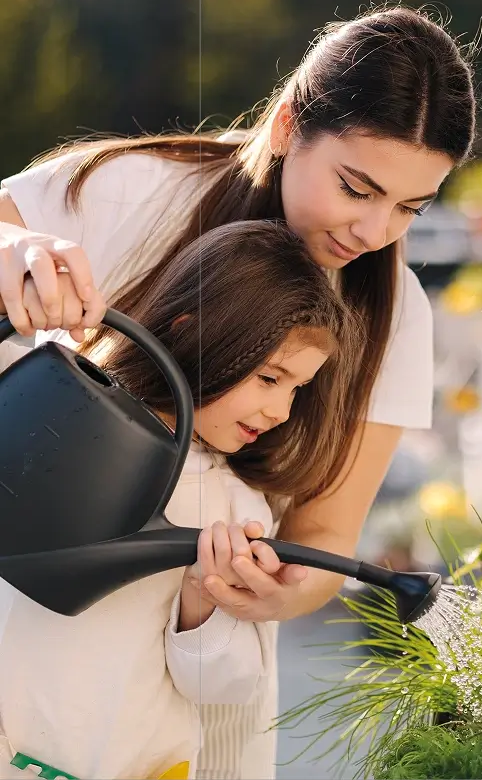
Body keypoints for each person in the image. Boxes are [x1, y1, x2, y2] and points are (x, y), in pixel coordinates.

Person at [0, 4, 477, 778]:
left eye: (410, 208)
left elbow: (326, 538)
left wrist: (270, 595)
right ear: (289, 125)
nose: (375, 231)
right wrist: (15, 246)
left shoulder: (396, 320)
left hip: (188, 706)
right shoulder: (131, 191)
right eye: (358, 188)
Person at [0, 220, 358, 780]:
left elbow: (230, 689)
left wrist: (204, 608)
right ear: (198, 332)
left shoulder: (235, 507)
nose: (282, 411)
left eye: (297, 388)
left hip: (119, 759)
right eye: (270, 378)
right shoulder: (54, 402)